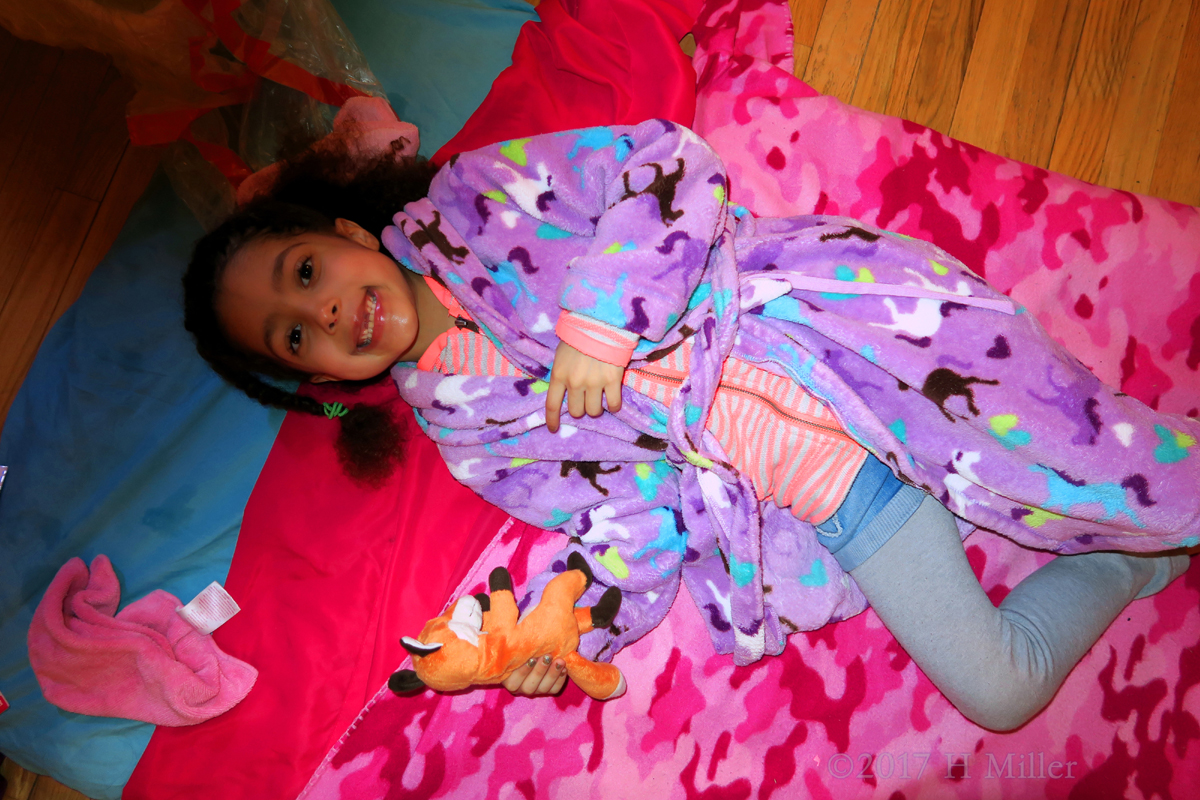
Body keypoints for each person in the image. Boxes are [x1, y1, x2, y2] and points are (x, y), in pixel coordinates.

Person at [185, 119, 1196, 731]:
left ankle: (1140, 521)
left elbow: (664, 165)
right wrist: (566, 625)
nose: (322, 312)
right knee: (998, 689)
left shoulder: (478, 200)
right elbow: (627, 518)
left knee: (1118, 472)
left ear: (346, 230)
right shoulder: (471, 432)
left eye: (306, 273)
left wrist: (601, 319)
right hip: (833, 503)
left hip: (862, 345)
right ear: (318, 379)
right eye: (293, 335)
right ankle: (1131, 568)